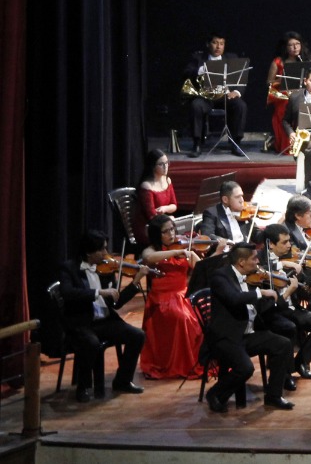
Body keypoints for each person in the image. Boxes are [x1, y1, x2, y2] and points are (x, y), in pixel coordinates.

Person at [204, 245, 295, 413]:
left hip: (248, 333)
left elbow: (261, 306)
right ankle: (215, 394)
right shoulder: (220, 276)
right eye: (254, 258)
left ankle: (273, 395)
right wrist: (261, 293)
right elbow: (234, 299)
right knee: (245, 368)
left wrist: (282, 296)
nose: (258, 261)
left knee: (283, 344)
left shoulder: (250, 276)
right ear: (241, 262)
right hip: (227, 336)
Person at [58, 231, 147, 402]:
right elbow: (68, 293)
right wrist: (99, 292)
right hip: (82, 322)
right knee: (91, 343)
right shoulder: (70, 268)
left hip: (105, 321)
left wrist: (136, 282)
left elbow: (116, 303)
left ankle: (122, 381)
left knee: (137, 335)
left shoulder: (105, 270)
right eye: (102, 250)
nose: (106, 254)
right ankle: (83, 387)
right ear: (89, 252)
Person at [257, 223, 311, 384]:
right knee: (288, 328)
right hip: (272, 311)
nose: (289, 245)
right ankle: (285, 374)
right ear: (271, 244)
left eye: (289, 241)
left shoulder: (291, 256)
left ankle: (301, 363)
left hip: (291, 308)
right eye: (284, 242)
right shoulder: (259, 259)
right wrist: (281, 264)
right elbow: (258, 270)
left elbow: (307, 285)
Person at [136, 216, 204, 381]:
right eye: (165, 231)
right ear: (156, 235)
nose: (171, 234)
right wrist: (177, 252)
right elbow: (148, 258)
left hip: (184, 295)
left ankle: (198, 361)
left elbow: (202, 268)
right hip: (162, 300)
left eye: (172, 229)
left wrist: (197, 257)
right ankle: (180, 363)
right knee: (183, 319)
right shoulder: (152, 251)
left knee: (203, 317)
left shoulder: (183, 247)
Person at [184, 33, 248, 156]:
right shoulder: (198, 58)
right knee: (196, 105)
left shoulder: (231, 58)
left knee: (241, 105)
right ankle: (197, 144)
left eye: (222, 44)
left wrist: (237, 91)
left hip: (225, 96)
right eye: (215, 43)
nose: (218, 46)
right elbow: (187, 72)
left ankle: (236, 143)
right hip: (206, 96)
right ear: (208, 44)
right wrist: (201, 70)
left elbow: (241, 77)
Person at [267, 32, 311, 154]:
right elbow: (269, 83)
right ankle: (288, 144)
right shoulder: (278, 62)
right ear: (286, 48)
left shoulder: (306, 61)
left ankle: (306, 142)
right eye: (291, 45)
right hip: (283, 95)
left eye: (297, 44)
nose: (295, 47)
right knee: (286, 107)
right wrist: (282, 79)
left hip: (302, 93)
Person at [137, 149, 178, 243]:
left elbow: (174, 205)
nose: (165, 167)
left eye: (167, 163)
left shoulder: (167, 180)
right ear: (152, 167)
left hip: (163, 224)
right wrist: (168, 219)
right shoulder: (146, 186)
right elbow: (152, 216)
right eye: (161, 164)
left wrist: (165, 208)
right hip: (149, 227)